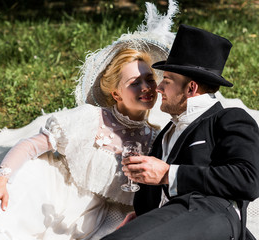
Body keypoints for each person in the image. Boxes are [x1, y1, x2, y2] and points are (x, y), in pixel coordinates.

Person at [0, 2, 178, 239]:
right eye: (135, 83)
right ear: (115, 93)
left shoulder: (156, 139)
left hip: (91, 215)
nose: (146, 87)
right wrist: (0, 181)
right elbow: (29, 145)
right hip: (51, 187)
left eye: (149, 80)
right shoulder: (90, 118)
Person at [102, 24, 259, 240]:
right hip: (171, 221)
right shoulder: (167, 132)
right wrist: (142, 219)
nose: (158, 88)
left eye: (166, 81)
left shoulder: (228, 119)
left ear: (191, 88)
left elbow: (248, 180)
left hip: (212, 213)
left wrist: (168, 173)